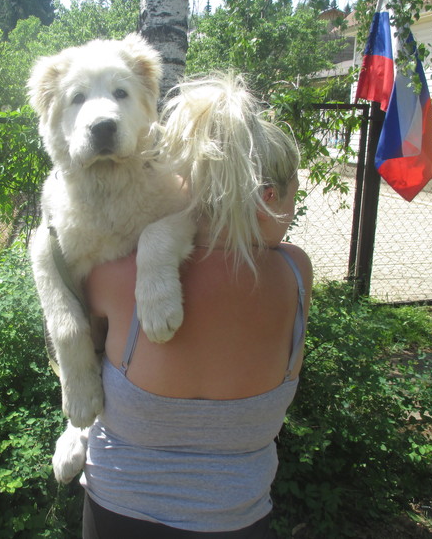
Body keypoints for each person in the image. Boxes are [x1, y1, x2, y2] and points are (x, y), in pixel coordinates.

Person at [79, 74, 313, 538]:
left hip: (116, 515)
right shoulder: (294, 275)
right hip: (237, 519)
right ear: (269, 197)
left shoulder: (115, 275)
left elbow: (73, 360)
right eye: (293, 198)